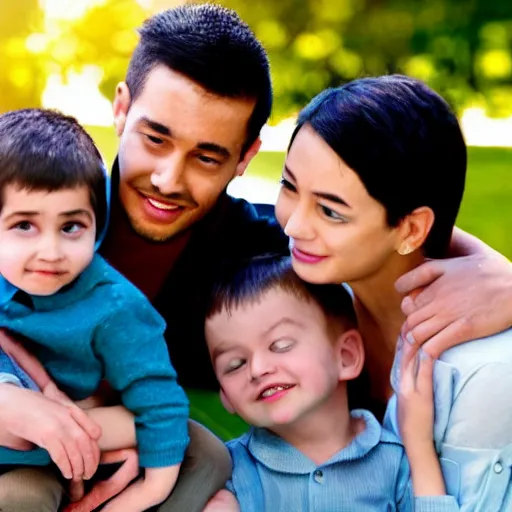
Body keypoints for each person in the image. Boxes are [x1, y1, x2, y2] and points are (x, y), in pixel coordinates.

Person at [0, 3, 511, 511]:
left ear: (245, 156)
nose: (167, 180)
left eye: (207, 156)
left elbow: (376, 218)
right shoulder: (40, 213)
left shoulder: (266, 257)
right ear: (120, 109)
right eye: (155, 138)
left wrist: (500, 275)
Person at [270, 74, 512, 509]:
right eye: (289, 186)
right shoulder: (312, 294)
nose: (293, 225)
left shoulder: (480, 374)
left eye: (330, 211)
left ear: (412, 228)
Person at [0, 108, 190, 511]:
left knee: (22, 498)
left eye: (71, 227)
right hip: (33, 424)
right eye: (24, 226)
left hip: (52, 458)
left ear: (96, 227)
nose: (50, 251)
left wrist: (148, 491)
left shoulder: (114, 306)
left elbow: (158, 398)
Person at [203, 255, 459, 512]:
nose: (257, 369)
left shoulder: (393, 461)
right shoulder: (227, 475)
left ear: (345, 357)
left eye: (280, 345)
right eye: (235, 364)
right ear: (224, 393)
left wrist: (421, 448)